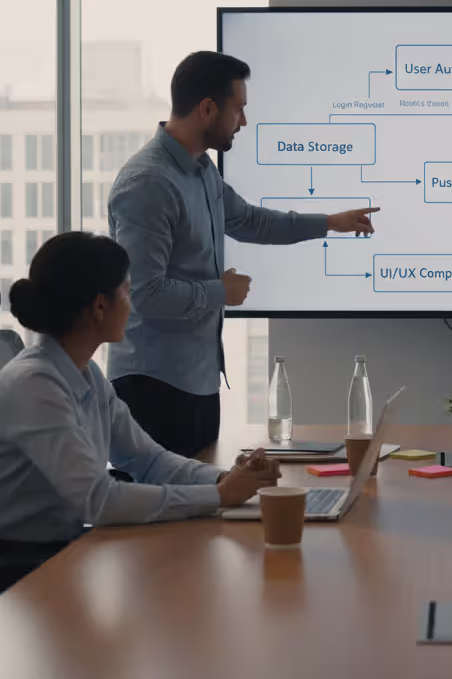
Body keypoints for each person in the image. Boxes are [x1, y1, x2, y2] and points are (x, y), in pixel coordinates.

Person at [108, 51, 380, 457]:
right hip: (153, 386)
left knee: (202, 493)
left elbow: (251, 221)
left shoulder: (203, 170)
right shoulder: (148, 183)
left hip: (198, 382)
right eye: (238, 109)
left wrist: (330, 223)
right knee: (164, 497)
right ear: (207, 109)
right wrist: (221, 291)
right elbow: (144, 294)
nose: (244, 121)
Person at [0, 232, 280, 562]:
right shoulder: (35, 385)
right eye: (126, 291)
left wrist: (225, 479)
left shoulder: (87, 374)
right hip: (3, 562)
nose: (131, 304)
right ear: (100, 306)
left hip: (51, 548)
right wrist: (218, 496)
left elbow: (148, 460)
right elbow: (98, 500)